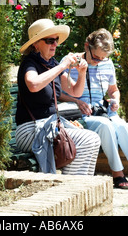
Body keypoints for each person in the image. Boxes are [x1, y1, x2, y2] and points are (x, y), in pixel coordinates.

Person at [60, 28, 128, 190]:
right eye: (96, 57)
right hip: (82, 114)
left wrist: (115, 100)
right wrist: (76, 102)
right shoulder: (71, 62)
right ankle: (117, 172)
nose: (99, 61)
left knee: (124, 126)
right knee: (106, 126)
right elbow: (58, 93)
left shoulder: (107, 63)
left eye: (103, 58)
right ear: (86, 46)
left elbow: (113, 90)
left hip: (104, 111)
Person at [15, 18, 101, 175]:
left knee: (93, 139)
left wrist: (82, 73)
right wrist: (63, 66)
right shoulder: (30, 64)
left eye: (56, 40)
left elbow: (75, 92)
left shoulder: (52, 64)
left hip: (49, 126)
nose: (55, 44)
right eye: (50, 40)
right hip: (30, 130)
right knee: (87, 140)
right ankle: (70, 187)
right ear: (36, 44)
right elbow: (33, 84)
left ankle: (80, 187)